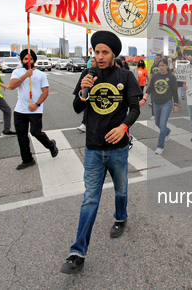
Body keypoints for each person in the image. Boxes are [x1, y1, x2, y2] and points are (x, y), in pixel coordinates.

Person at [61, 31, 141, 274]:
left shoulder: (126, 76)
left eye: (104, 52)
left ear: (113, 54)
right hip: (93, 148)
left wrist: (123, 127)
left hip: (117, 149)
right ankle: (77, 252)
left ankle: (120, 217)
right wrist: (84, 91)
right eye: (96, 52)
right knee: (90, 198)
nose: (100, 56)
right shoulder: (87, 75)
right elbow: (76, 108)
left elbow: (135, 109)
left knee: (122, 188)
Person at [8, 49, 58, 170]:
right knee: (22, 135)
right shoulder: (17, 72)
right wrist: (25, 75)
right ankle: (27, 159)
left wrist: (36, 104)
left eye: (30, 59)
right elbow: (11, 86)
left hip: (35, 109)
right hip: (20, 110)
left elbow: (45, 92)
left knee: (36, 132)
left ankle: (51, 145)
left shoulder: (41, 74)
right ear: (22, 60)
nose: (28, 61)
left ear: (34, 60)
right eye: (25, 59)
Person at [140, 58, 179, 155]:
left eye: (163, 65)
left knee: (162, 124)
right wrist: (144, 99)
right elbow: (149, 89)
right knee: (157, 123)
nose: (161, 67)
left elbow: (175, 92)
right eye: (160, 66)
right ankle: (167, 131)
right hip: (156, 103)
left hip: (167, 103)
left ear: (167, 66)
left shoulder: (171, 77)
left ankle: (160, 146)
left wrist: (176, 105)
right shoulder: (155, 76)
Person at [77, 57, 97, 133]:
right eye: (91, 61)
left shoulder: (124, 74)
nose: (91, 63)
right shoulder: (87, 72)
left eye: (93, 61)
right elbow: (77, 108)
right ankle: (85, 124)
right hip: (92, 139)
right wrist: (82, 91)